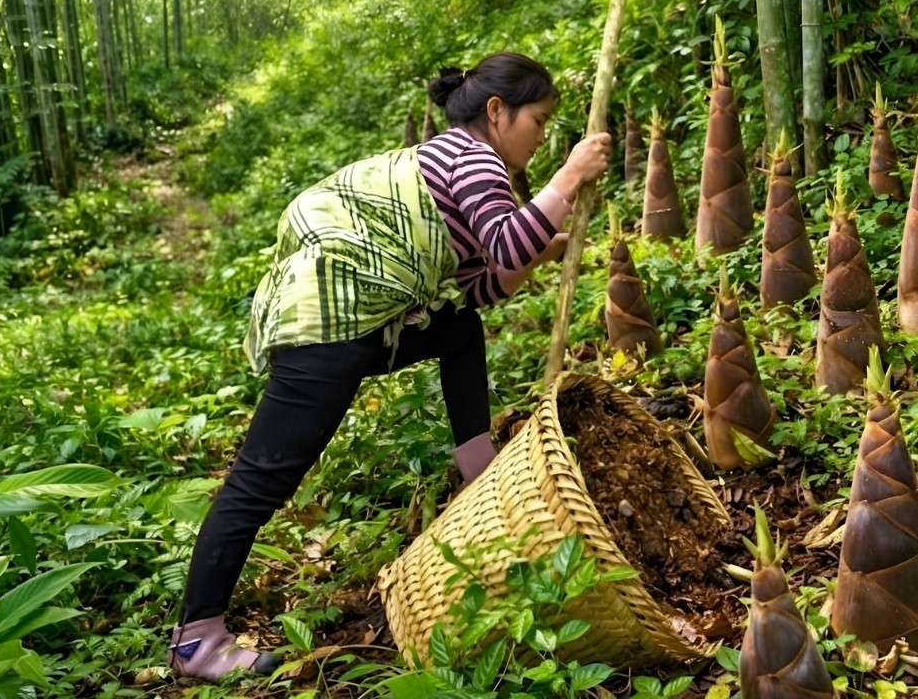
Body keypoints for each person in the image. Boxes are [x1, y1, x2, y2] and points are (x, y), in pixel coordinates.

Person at [166, 51, 611, 681]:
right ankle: (195, 639)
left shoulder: (456, 159)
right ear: (497, 112)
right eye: (538, 121)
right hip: (329, 328)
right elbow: (511, 241)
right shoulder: (474, 157)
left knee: (458, 329)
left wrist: (538, 248)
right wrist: (567, 180)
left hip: (364, 321)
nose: (541, 138)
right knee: (259, 480)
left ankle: (476, 472)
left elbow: (477, 289)